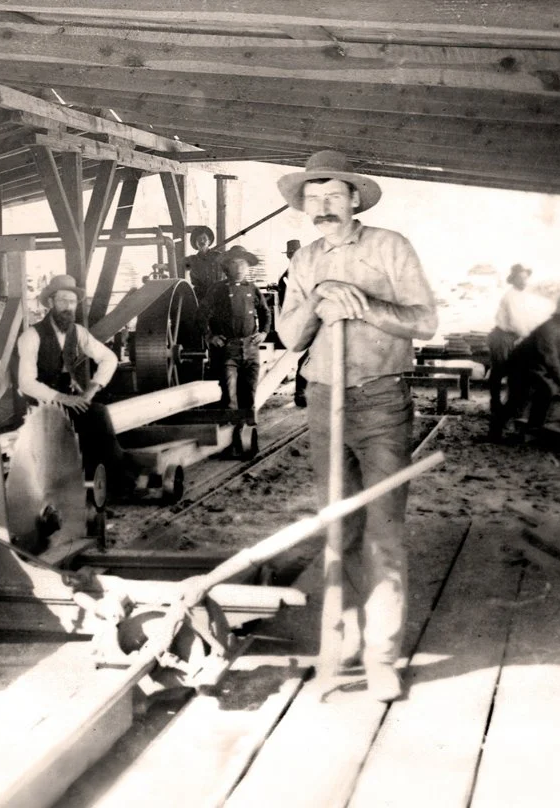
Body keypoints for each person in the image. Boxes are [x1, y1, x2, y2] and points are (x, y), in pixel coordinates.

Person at [275, 150, 438, 702]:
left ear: (353, 199)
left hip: (380, 401)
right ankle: (341, 639)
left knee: (383, 533)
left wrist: (361, 305)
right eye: (312, 199)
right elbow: (289, 337)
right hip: (324, 401)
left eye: (332, 196)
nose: (321, 207)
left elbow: (426, 321)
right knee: (336, 528)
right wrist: (320, 297)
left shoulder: (390, 247)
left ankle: (381, 657)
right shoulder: (305, 261)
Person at [16, 274, 122, 485]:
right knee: (95, 416)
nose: (68, 307)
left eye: (72, 302)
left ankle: (104, 477)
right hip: (39, 405)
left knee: (97, 412)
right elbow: (26, 383)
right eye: (63, 300)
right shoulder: (31, 336)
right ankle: (104, 477)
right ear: (50, 303)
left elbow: (109, 358)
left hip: (67, 402)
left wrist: (92, 388)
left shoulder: (78, 332)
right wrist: (63, 398)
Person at [493, 293, 560, 439]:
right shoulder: (547, 329)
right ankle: (495, 430)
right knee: (518, 399)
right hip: (520, 365)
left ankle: (533, 428)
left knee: (546, 391)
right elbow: (550, 358)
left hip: (537, 366)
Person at [202, 245, 271, 423]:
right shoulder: (217, 289)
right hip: (227, 350)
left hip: (251, 348)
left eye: (243, 264)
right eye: (235, 263)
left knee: (249, 395)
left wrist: (264, 332)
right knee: (229, 398)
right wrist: (210, 336)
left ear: (248, 267)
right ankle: (232, 435)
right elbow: (201, 315)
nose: (239, 268)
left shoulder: (252, 288)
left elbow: (265, 312)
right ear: (227, 267)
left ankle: (249, 433)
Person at [486, 263, 550, 436]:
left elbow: (528, 318)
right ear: (513, 279)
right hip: (502, 336)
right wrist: (529, 337)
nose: (523, 281)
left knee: (513, 371)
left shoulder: (523, 296)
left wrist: (537, 331)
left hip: (513, 336)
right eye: (520, 278)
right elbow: (516, 321)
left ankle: (509, 405)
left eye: (525, 278)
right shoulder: (510, 296)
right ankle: (495, 403)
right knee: (500, 369)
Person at [276, 239, 310, 407]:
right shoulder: (285, 279)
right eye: (292, 254)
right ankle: (301, 392)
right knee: (303, 356)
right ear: (288, 256)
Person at [183, 225, 223, 302]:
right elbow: (176, 265)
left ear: (209, 241)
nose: (202, 241)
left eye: (204, 238)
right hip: (200, 297)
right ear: (195, 243)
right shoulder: (191, 260)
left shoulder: (218, 256)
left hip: (218, 295)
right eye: (199, 239)